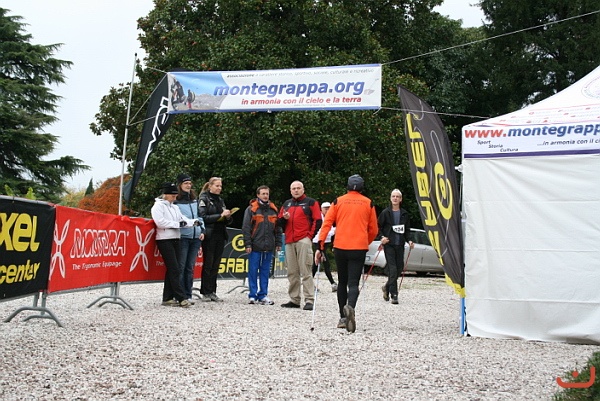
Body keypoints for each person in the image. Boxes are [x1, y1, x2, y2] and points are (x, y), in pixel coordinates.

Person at [315, 174, 378, 333]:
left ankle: (343, 318)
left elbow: (327, 224)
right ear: (362, 188)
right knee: (353, 283)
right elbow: (374, 229)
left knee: (342, 282)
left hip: (341, 246)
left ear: (348, 186)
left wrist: (320, 245)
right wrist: (365, 241)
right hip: (358, 247)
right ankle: (351, 307)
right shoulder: (368, 203)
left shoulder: (338, 201)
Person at [151, 182, 200, 308]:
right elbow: (160, 222)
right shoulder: (158, 206)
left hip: (176, 238)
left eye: (175, 195)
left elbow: (182, 219)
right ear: (165, 194)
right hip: (164, 239)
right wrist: (177, 225)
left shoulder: (174, 207)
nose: (174, 197)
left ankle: (167, 298)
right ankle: (181, 297)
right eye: (172, 195)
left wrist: (192, 222)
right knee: (175, 269)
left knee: (174, 268)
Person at [278, 181, 322, 310]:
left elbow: (318, 220)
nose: (296, 190)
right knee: (292, 272)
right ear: (290, 190)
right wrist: (284, 218)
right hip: (289, 240)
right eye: (294, 188)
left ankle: (309, 300)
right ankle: (294, 299)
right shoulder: (286, 204)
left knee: (306, 271)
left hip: (303, 239)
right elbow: (278, 223)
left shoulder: (311, 202)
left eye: (298, 188)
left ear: (303, 189)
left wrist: (309, 237)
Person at [242, 185, 282, 305]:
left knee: (265, 272)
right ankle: (252, 295)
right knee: (253, 271)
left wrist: (278, 242)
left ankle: (263, 294)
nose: (265, 196)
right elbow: (246, 228)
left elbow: (278, 228)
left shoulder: (273, 209)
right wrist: (247, 244)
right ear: (258, 195)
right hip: (255, 246)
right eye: (263, 193)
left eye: (267, 194)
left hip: (269, 246)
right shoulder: (251, 209)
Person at [198, 177, 233, 302]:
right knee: (208, 264)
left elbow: (227, 220)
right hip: (209, 235)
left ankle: (212, 291)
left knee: (216, 265)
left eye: (220, 186)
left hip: (220, 234)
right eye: (217, 186)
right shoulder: (204, 199)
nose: (219, 188)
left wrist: (228, 217)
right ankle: (205, 291)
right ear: (210, 186)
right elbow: (202, 217)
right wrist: (219, 215)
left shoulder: (220, 200)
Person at [379, 189, 414, 305]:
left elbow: (407, 230)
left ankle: (386, 287)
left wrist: (409, 240)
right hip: (389, 245)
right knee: (393, 269)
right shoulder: (385, 213)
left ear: (400, 199)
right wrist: (382, 237)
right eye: (393, 196)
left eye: (397, 197)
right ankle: (394, 295)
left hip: (400, 244)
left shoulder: (404, 214)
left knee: (399, 268)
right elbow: (378, 227)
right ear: (390, 198)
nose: (395, 198)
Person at [174, 173, 205, 304]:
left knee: (190, 267)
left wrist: (202, 229)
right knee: (181, 266)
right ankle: (180, 295)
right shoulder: (176, 201)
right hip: (183, 236)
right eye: (185, 183)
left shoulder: (194, 200)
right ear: (180, 185)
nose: (188, 185)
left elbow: (199, 216)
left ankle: (188, 294)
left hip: (195, 237)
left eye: (189, 183)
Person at [311, 202, 338, 292]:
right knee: (324, 262)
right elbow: (323, 231)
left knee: (317, 263)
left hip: (326, 242)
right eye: (325, 208)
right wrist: (334, 230)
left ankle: (309, 283)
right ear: (321, 209)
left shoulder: (332, 217)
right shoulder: (320, 218)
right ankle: (333, 283)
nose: (327, 210)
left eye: (329, 208)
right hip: (318, 242)